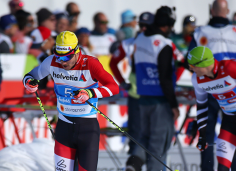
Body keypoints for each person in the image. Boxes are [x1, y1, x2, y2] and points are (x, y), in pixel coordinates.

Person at [23, 31, 119, 171]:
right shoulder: (51, 62)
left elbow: (114, 87)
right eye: (59, 56)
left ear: (76, 51)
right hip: (64, 129)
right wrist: (29, 82)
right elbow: (31, 76)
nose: (63, 62)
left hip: (87, 129)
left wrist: (90, 92)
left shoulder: (90, 64)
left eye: (67, 57)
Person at [187, 0, 236, 170]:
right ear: (227, 11)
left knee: (207, 135)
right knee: (233, 135)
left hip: (209, 91)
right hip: (234, 92)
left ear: (211, 11)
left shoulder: (199, 32)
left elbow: (190, 62)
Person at [125, 6, 180, 171]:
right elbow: (165, 78)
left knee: (143, 139)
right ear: (169, 24)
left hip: (142, 98)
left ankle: (132, 166)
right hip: (160, 101)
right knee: (157, 145)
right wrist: (174, 104)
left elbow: (134, 66)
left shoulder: (140, 38)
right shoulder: (164, 44)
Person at [109, 11, 154, 156]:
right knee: (136, 133)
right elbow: (113, 63)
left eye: (148, 25)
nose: (144, 29)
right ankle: (134, 163)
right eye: (142, 25)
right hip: (136, 94)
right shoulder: (128, 43)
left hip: (156, 96)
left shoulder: (159, 41)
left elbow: (178, 63)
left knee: (153, 133)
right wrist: (122, 82)